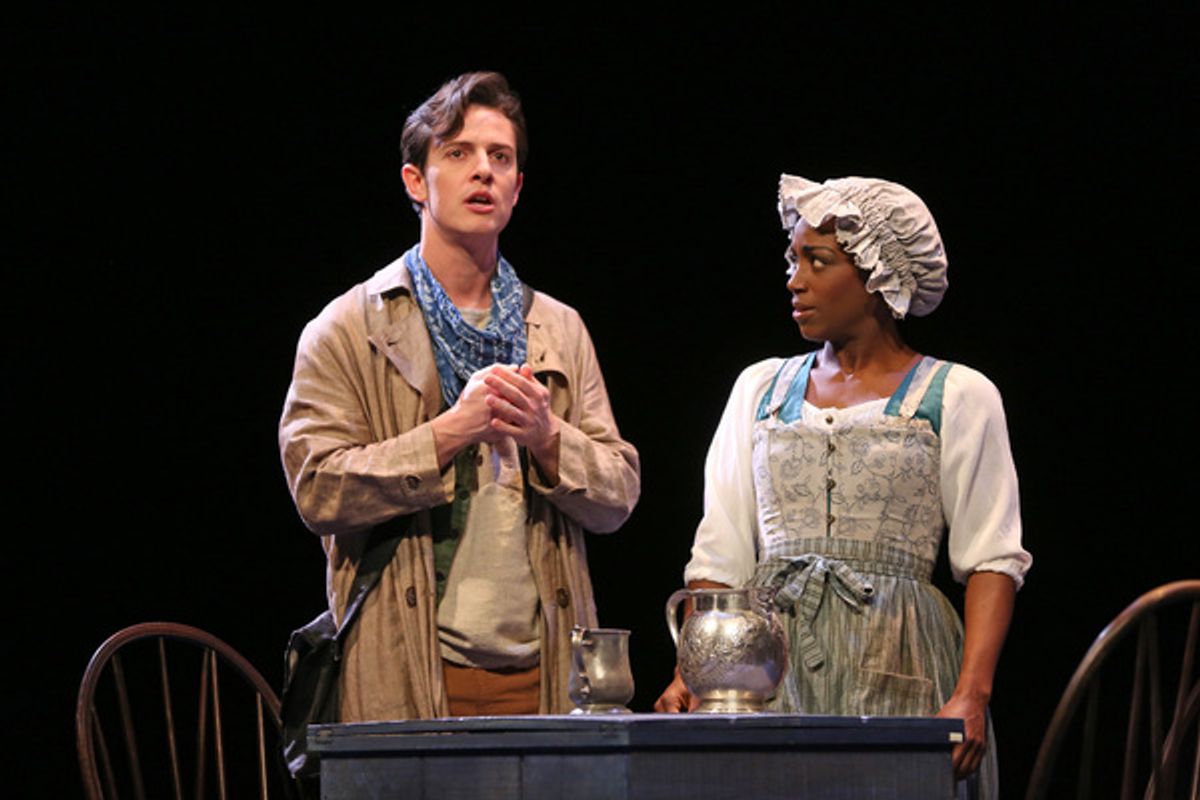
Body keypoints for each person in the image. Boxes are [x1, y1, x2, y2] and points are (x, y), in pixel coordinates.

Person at [655, 174, 1031, 799]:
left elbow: (991, 557)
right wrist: (695, 669)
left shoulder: (957, 395)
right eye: (794, 259)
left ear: (878, 277)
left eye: (818, 261)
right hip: (766, 665)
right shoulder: (759, 391)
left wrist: (971, 692)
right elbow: (720, 556)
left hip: (902, 657)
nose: (795, 280)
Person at [279, 71, 640, 721]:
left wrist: (546, 436)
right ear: (415, 181)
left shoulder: (557, 328)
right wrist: (453, 430)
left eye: (500, 158)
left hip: (546, 671)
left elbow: (617, 495)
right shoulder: (350, 328)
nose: (484, 171)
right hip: (403, 668)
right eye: (459, 153)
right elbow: (318, 488)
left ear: (518, 188)